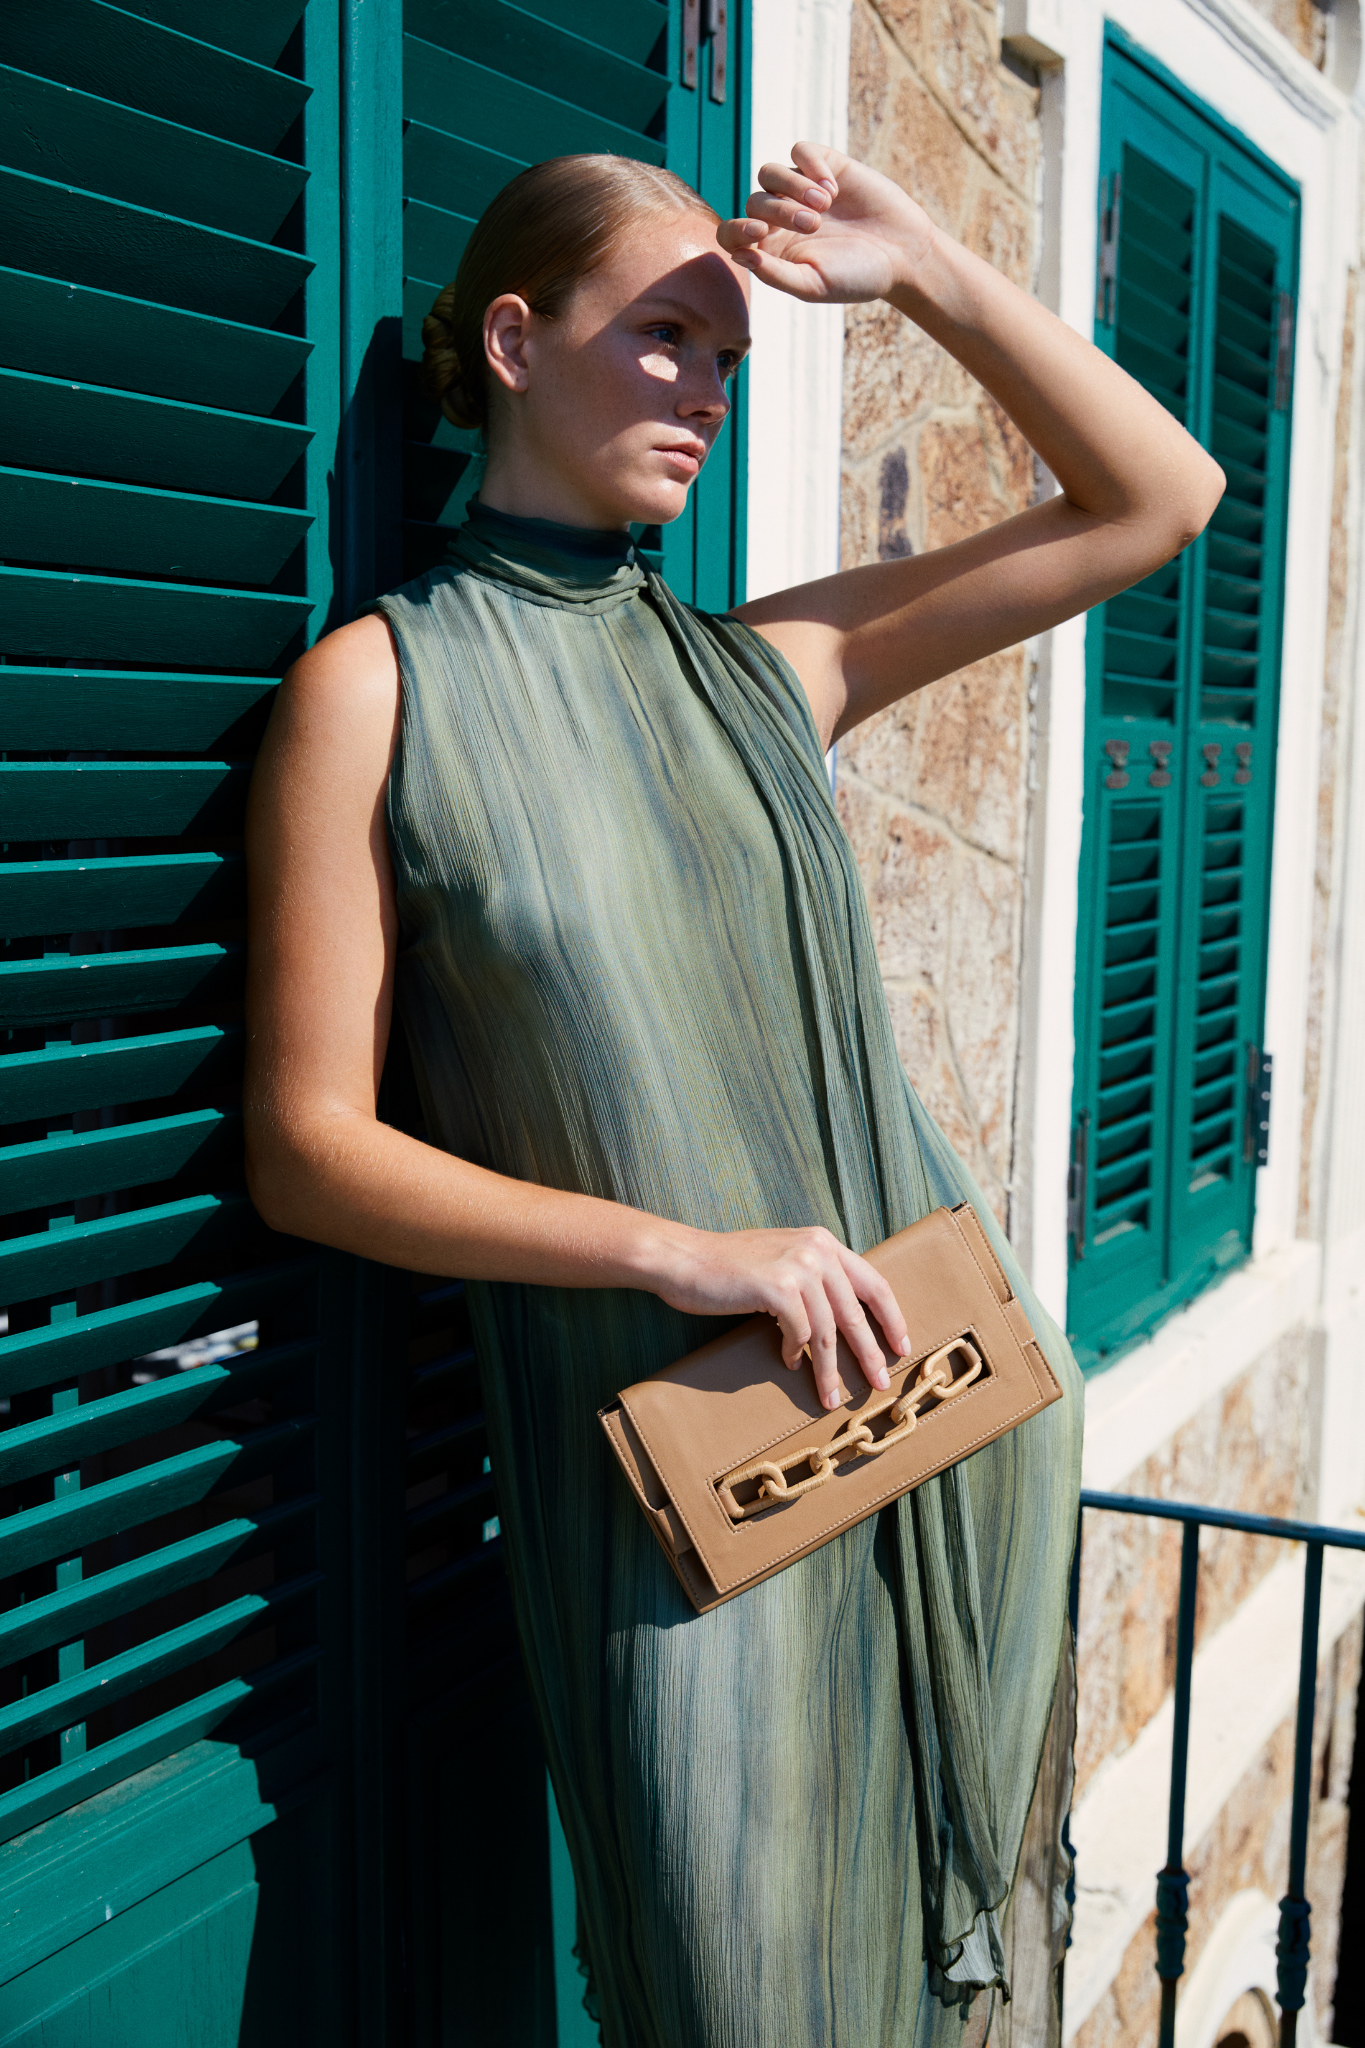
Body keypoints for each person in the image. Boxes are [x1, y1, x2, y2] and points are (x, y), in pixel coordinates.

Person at [244, 143, 1222, 2046]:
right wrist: (682, 1252)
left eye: (730, 357)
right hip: (685, 1525)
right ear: (512, 342)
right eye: (665, 337)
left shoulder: (776, 667)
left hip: (940, 1438)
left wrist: (926, 267)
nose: (706, 387)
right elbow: (307, 1151)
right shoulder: (377, 694)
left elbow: (1159, 498)